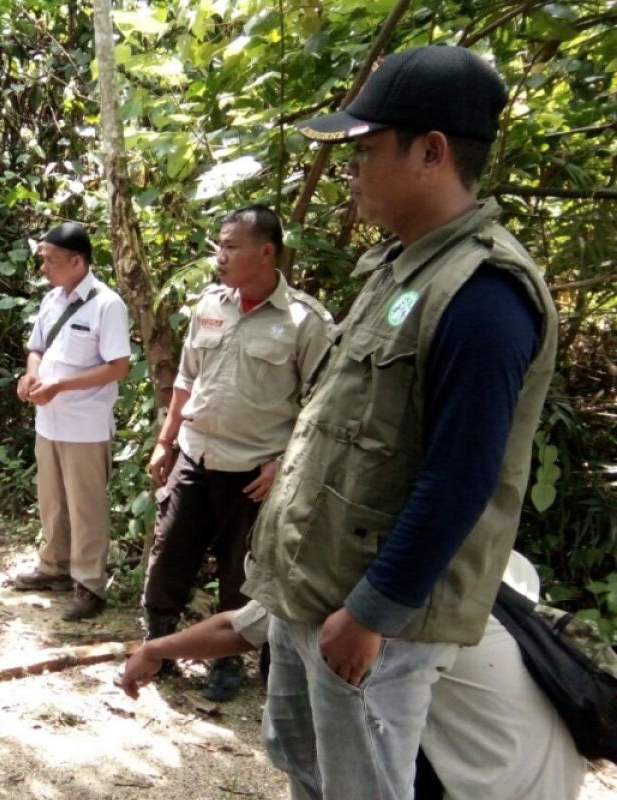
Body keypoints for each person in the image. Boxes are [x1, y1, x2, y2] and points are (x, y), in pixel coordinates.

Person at [241, 45, 558, 799]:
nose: (352, 168)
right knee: (308, 770)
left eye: (367, 149)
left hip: (369, 615)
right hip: (316, 592)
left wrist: (373, 611)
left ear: (432, 152)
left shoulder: (484, 294)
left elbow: (462, 474)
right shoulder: (399, 266)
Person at [120, 554, 586, 800]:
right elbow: (245, 625)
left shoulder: (379, 592)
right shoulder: (478, 589)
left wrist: (154, 649)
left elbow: (245, 627)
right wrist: (156, 649)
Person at [142, 205, 329, 700]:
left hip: (254, 470)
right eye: (218, 246)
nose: (219, 257)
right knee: (169, 553)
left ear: (266, 252)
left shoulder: (303, 321)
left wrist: (284, 462)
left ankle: (226, 662)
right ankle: (158, 642)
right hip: (195, 454)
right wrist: (165, 441)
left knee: (240, 570)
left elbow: (323, 405)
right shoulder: (209, 305)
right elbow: (185, 381)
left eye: (231, 246)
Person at [12, 222, 131, 621]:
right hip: (49, 419)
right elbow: (36, 347)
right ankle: (54, 567)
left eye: (49, 260)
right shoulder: (51, 300)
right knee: (52, 500)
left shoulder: (106, 304)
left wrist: (61, 384)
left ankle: (89, 584)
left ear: (76, 261)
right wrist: (31, 377)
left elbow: (118, 366)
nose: (43, 267)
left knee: (86, 506)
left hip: (86, 422)